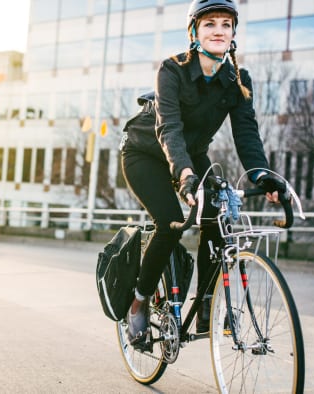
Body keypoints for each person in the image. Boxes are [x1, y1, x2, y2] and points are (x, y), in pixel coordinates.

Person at [120, 0, 286, 344]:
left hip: (193, 158)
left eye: (226, 24)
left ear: (233, 34)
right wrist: (184, 176)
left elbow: (247, 134)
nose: (219, 31)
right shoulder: (172, 69)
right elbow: (170, 129)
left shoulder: (238, 80)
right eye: (210, 23)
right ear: (194, 32)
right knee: (170, 223)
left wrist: (262, 176)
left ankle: (207, 303)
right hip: (145, 153)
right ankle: (138, 303)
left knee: (217, 213)